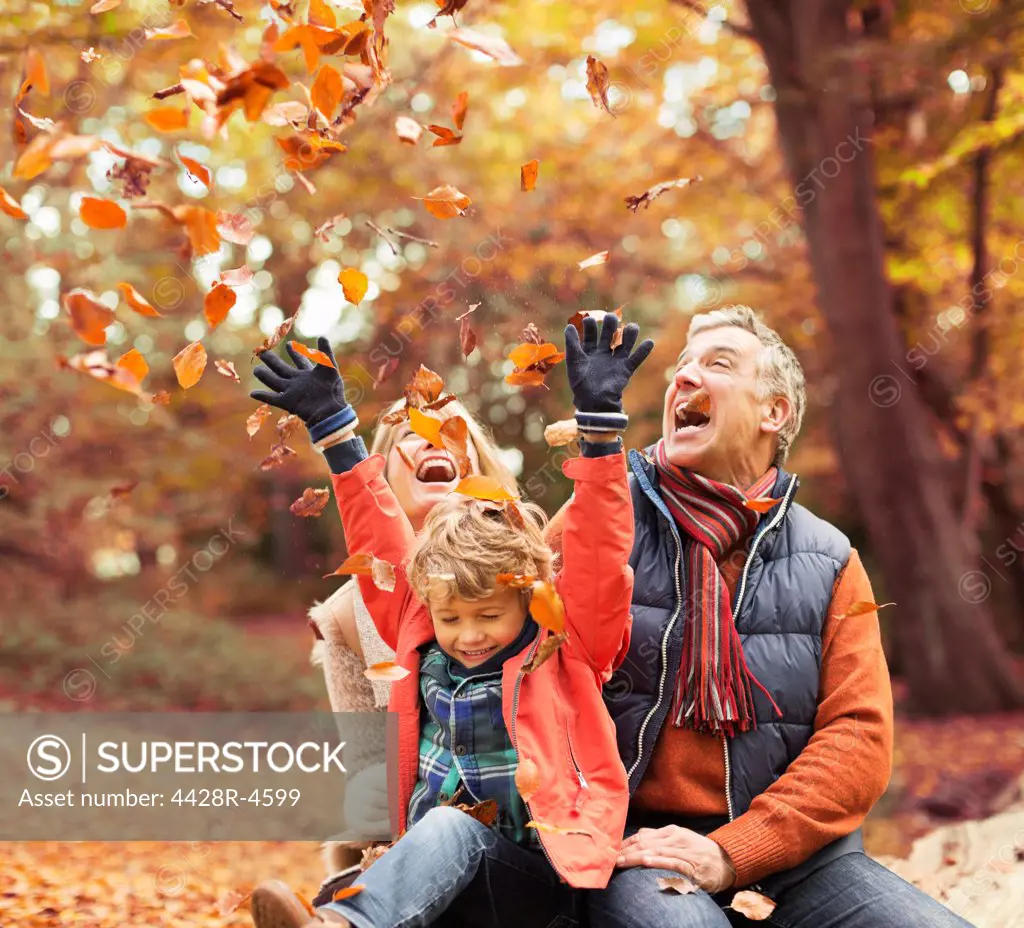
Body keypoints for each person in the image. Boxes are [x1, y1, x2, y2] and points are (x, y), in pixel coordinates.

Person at [246, 315, 654, 928]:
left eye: (488, 614)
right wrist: (333, 428)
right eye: (451, 618)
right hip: (435, 880)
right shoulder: (417, 619)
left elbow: (599, 552)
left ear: (527, 597)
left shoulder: (563, 639)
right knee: (434, 840)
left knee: (451, 831)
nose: (466, 635)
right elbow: (379, 537)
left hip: (536, 881)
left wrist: (600, 433)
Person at [586, 305, 973, 927]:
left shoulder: (829, 559)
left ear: (774, 413)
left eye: (717, 364)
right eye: (681, 367)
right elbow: (483, 621)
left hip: (797, 857)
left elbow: (857, 741)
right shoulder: (604, 522)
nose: (683, 378)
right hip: (641, 847)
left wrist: (733, 852)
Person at [307, 401, 518, 874]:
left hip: (532, 836)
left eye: (452, 429)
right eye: (409, 431)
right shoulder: (346, 617)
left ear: (482, 472)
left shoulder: (534, 577)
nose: (432, 435)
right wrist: (366, 795)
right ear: (379, 478)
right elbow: (365, 758)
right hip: (419, 839)